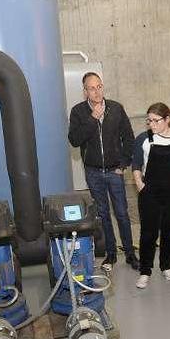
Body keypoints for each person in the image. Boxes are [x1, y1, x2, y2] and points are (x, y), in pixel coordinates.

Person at [68, 72, 139, 271]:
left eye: (99, 86)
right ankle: (110, 254)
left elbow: (129, 138)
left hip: (115, 171)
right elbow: (74, 139)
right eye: (92, 88)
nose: (97, 91)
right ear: (85, 91)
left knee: (122, 214)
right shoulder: (79, 112)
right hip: (93, 172)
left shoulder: (116, 109)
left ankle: (131, 254)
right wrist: (92, 119)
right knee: (103, 214)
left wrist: (123, 164)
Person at [131, 103, 170, 289]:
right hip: (150, 193)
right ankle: (145, 271)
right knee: (148, 233)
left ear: (167, 119)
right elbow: (136, 164)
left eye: (155, 120)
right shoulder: (144, 139)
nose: (151, 124)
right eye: (149, 120)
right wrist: (140, 185)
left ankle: (166, 266)